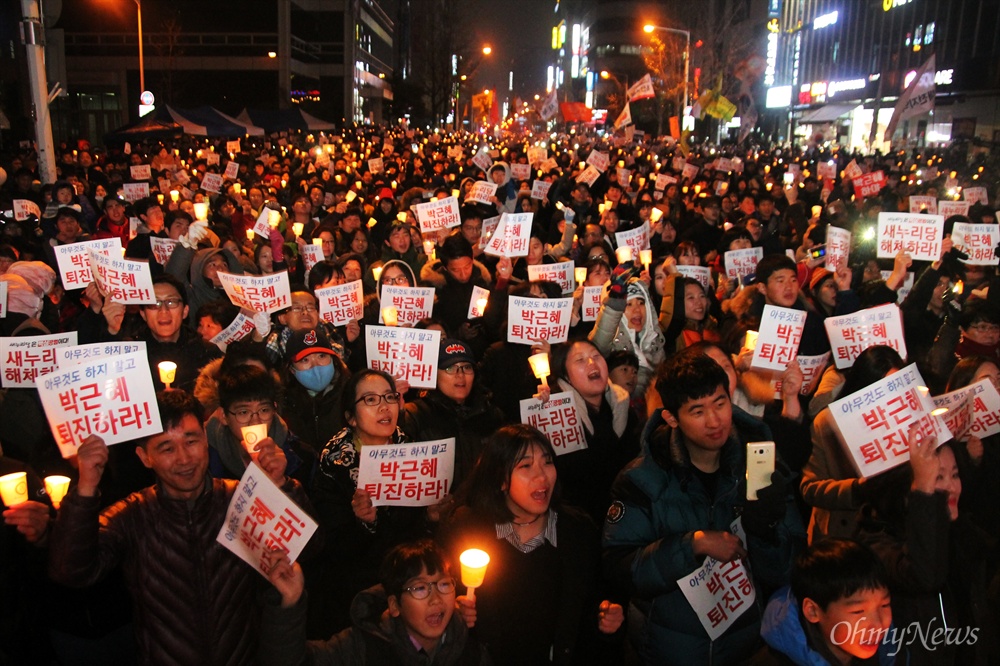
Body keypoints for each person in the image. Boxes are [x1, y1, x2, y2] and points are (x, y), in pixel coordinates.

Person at [48, 389, 311, 666]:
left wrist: (281, 485)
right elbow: (71, 571)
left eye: (191, 441)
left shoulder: (239, 498)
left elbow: (308, 549)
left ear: (205, 439)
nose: (184, 458)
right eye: (166, 448)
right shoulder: (131, 515)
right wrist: (86, 486)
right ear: (144, 456)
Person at [603, 353, 805, 665]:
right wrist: (691, 545)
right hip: (668, 649)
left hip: (746, 646)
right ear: (671, 418)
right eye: (697, 411)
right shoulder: (642, 479)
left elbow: (785, 571)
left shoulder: (761, 465)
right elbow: (620, 568)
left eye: (720, 403)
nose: (715, 421)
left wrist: (765, 529)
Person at [444, 424, 625, 666]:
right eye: (525, 466)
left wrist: (606, 619)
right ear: (500, 479)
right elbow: (437, 603)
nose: (542, 476)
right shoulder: (466, 529)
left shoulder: (577, 530)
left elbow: (594, 604)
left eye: (547, 462)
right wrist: (453, 613)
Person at [307, 370, 431, 636]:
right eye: (370, 400)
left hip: (408, 583)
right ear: (350, 417)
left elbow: (414, 531)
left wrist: (431, 515)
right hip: (354, 594)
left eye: (389, 397)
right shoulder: (334, 465)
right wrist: (363, 523)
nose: (384, 406)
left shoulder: (412, 451)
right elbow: (330, 546)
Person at [858, 434, 1000, 665]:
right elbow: (925, 576)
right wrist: (924, 495)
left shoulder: (959, 530)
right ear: (904, 489)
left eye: (954, 474)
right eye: (936, 477)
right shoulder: (878, 544)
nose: (951, 487)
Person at [259, 539, 489, 665]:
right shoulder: (362, 646)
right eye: (419, 588)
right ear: (394, 605)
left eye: (444, 584)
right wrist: (289, 603)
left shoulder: (469, 650)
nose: (436, 598)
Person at [800, 346, 905, 542]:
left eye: (895, 386)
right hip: (845, 536)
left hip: (894, 532)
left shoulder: (910, 417)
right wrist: (856, 489)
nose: (888, 396)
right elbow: (810, 488)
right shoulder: (828, 424)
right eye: (879, 389)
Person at [542, 339, 639, 525]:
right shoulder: (554, 411)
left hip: (623, 515)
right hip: (575, 522)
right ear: (566, 376)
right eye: (580, 360)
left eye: (596, 356)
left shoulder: (622, 406)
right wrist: (542, 407)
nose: (591, 363)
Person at [753, 539, 894, 666]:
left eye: (884, 605)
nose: (878, 625)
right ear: (813, 611)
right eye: (858, 611)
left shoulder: (890, 649)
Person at [401, 338, 506, 493]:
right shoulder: (415, 414)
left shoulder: (492, 414)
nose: (460, 375)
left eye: (466, 367)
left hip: (484, 509)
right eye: (450, 368)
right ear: (434, 374)